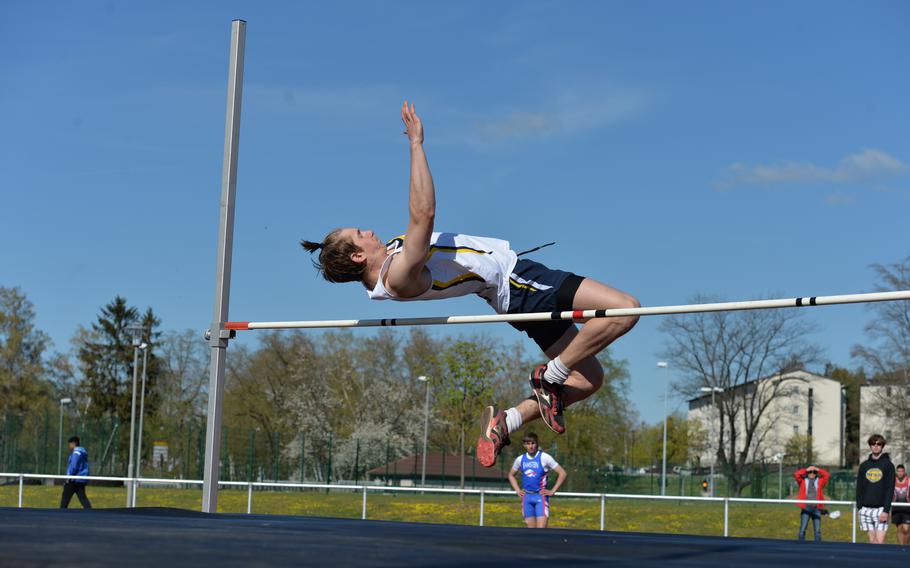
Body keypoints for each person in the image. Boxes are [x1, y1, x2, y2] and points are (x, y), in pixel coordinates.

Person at [300, 102, 640, 468]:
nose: (367, 231)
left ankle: (505, 422)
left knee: (589, 379)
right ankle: (550, 376)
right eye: (359, 235)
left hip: (511, 295)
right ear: (356, 257)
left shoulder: (390, 267)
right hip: (517, 283)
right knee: (626, 309)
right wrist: (416, 144)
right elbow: (423, 215)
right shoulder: (397, 276)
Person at [506, 432, 567, 528]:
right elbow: (511, 475)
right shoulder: (520, 459)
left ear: (537, 443)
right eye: (528, 444)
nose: (530, 446)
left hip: (540, 497)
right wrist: (517, 490)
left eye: (533, 443)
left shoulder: (545, 457)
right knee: (530, 532)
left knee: (541, 531)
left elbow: (562, 473)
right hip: (526, 498)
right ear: (524, 445)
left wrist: (553, 491)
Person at [856, 433, 895, 544]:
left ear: (882, 446)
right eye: (873, 443)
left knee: (879, 542)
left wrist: (886, 510)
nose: (876, 446)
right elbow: (859, 487)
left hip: (881, 509)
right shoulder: (864, 465)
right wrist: (860, 507)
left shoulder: (888, 465)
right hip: (865, 509)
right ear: (870, 446)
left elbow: (890, 489)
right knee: (872, 542)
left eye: (879, 444)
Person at [794, 465, 829, 541]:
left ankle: (818, 549)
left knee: (817, 531)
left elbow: (827, 475)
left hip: (817, 508)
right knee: (802, 530)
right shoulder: (803, 481)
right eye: (810, 472)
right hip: (806, 507)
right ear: (807, 473)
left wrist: (818, 469)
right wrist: (806, 469)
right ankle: (800, 547)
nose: (812, 473)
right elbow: (797, 474)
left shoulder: (820, 481)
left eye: (814, 472)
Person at [60, 435, 92, 509]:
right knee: (82, 498)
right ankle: (90, 512)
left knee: (65, 498)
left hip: (74, 479)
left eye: (70, 444)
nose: (69, 446)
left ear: (73, 443)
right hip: (80, 479)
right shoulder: (82, 452)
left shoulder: (76, 453)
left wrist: (69, 477)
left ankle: (61, 512)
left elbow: (74, 466)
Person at [893, 464, 910, 545]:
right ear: (896, 472)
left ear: (904, 472)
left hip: (907, 508)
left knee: (906, 529)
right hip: (896, 508)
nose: (900, 473)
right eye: (898, 471)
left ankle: (906, 547)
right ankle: (901, 547)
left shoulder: (909, 480)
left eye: (902, 471)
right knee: (899, 528)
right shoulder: (893, 480)